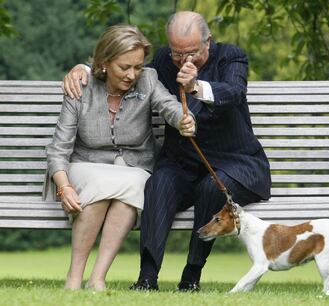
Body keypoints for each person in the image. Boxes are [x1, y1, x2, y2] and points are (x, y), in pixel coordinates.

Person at [62, 11, 271, 292]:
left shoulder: (230, 57)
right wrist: (84, 69)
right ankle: (147, 278)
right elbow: (124, 64)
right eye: (177, 54)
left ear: (208, 42)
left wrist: (195, 86)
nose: (184, 60)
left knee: (210, 188)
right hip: (182, 163)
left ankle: (191, 276)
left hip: (234, 163)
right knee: (157, 183)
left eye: (192, 53)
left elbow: (233, 92)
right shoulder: (161, 60)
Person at [47, 24, 195, 291]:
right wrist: (64, 185)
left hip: (134, 167)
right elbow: (58, 149)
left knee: (134, 186)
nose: (132, 74)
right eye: (124, 67)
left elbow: (168, 105)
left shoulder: (148, 79)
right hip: (85, 166)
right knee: (104, 186)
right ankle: (74, 277)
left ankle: (97, 278)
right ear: (104, 63)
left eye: (137, 67)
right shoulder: (81, 85)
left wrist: (183, 119)